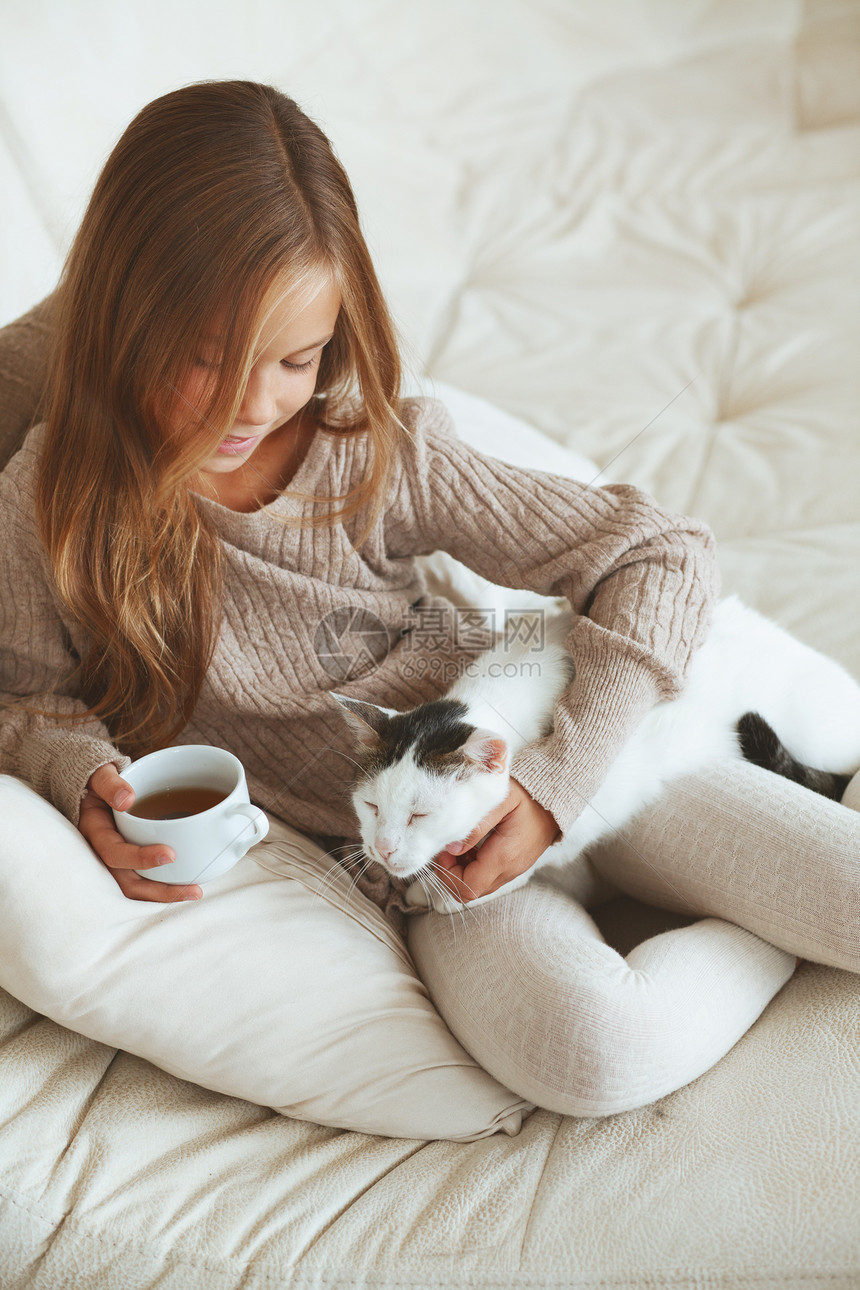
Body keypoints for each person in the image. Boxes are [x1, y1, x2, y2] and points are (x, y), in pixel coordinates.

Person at [0, 80, 857, 1138]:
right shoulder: (47, 500)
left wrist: (553, 785)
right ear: (123, 313)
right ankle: (757, 912)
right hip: (417, 871)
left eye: (294, 359)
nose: (252, 405)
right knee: (587, 1053)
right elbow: (33, 700)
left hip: (545, 753)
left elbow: (658, 550)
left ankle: (770, 827)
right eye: (203, 356)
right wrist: (83, 780)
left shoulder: (368, 452)